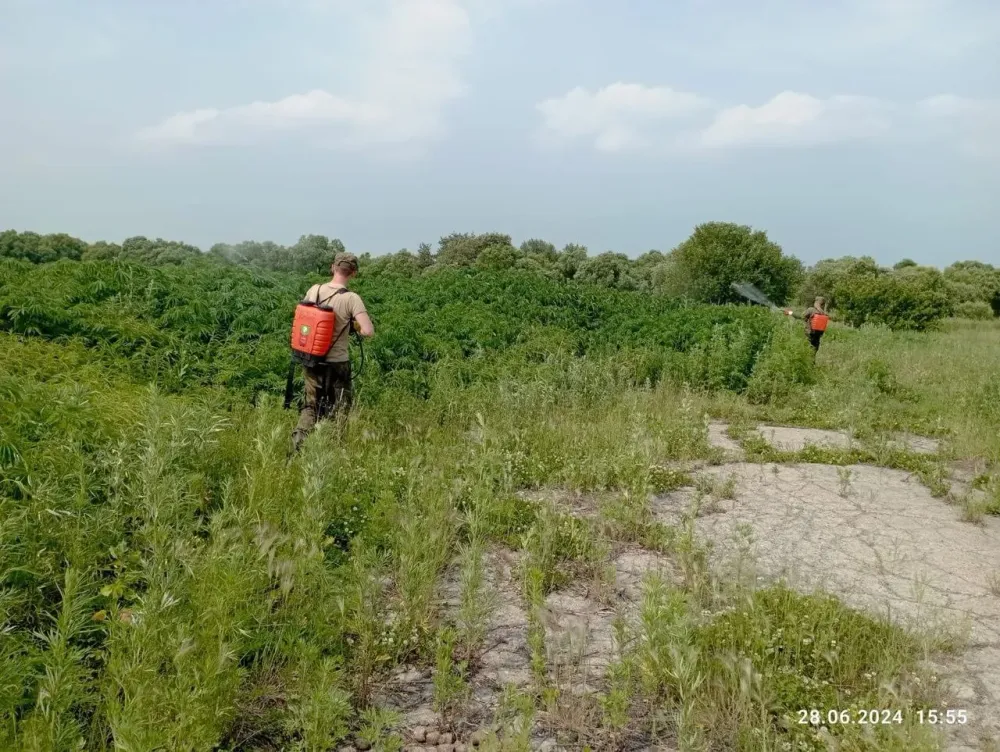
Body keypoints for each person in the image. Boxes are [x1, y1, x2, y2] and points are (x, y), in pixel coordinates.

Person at [290, 253, 374, 451]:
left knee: (311, 407)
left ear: (333, 267)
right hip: (338, 364)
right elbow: (368, 331)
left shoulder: (315, 289)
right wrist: (353, 326)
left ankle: (297, 447)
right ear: (353, 273)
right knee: (340, 409)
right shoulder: (352, 298)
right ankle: (334, 450)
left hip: (311, 359)